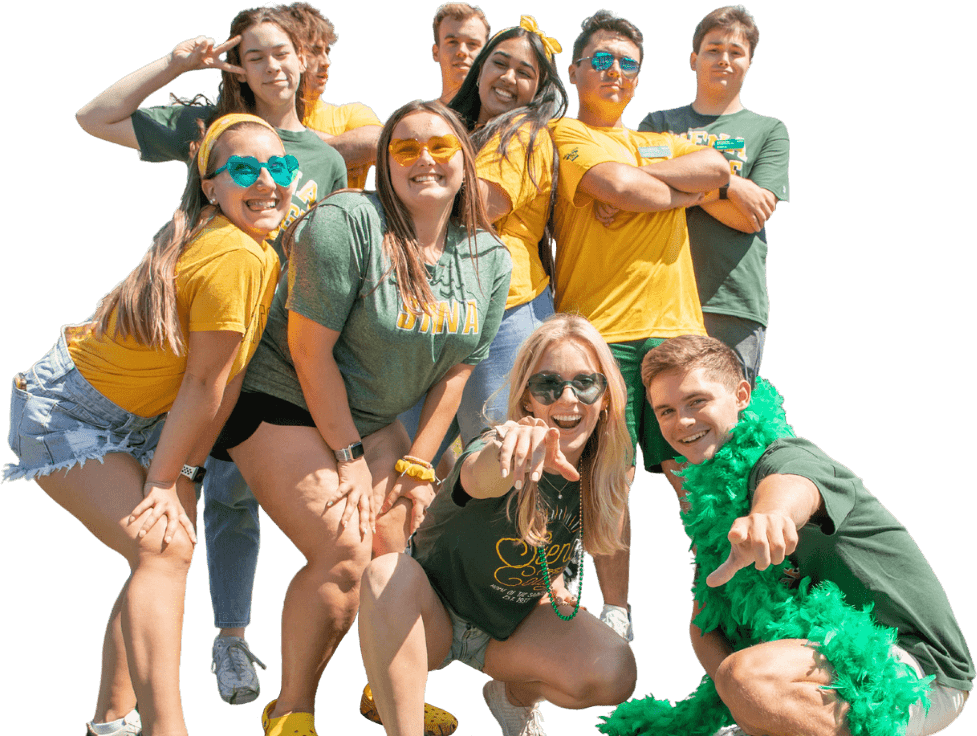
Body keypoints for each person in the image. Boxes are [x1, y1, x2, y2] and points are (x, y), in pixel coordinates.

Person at [74, 5, 348, 706]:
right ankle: (227, 641)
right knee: (209, 505)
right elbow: (94, 120)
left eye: (280, 51)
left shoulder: (325, 153)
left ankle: (131, 699)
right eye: (253, 55)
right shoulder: (210, 128)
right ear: (238, 67)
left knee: (260, 508)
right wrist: (175, 64)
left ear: (305, 57)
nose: (270, 66)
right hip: (211, 342)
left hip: (284, 348)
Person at [211, 99, 511, 735]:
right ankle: (292, 709)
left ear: (466, 160)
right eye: (405, 148)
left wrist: (416, 464)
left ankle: (387, 692)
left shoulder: (490, 256)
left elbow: (458, 372)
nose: (424, 159)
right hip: (280, 398)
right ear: (382, 162)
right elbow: (307, 350)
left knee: (394, 555)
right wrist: (350, 459)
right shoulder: (348, 221)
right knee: (345, 549)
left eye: (440, 146)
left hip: (370, 416)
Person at [3, 114, 290, 736]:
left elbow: (228, 375)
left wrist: (184, 469)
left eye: (280, 166)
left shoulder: (257, 246)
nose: (268, 180)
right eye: (246, 169)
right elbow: (205, 383)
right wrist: (167, 480)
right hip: (68, 409)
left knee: (158, 555)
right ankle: (167, 728)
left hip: (145, 418)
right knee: (161, 548)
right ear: (210, 185)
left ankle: (112, 718)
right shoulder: (234, 252)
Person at [603, 334, 974, 736]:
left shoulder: (785, 455)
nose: (683, 422)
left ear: (741, 395)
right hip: (824, 676)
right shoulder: (712, 502)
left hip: (912, 672)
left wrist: (769, 517)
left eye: (697, 401)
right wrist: (742, 709)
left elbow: (792, 487)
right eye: (666, 411)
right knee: (728, 689)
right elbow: (704, 626)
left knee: (748, 678)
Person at [359, 313, 638, 736]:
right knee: (385, 573)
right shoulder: (500, 444)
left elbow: (569, 550)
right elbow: (481, 474)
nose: (567, 398)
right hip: (429, 617)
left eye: (585, 383)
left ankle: (511, 699)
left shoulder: (603, 473)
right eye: (547, 385)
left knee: (616, 672)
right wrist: (513, 451)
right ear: (527, 398)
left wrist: (559, 582)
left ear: (605, 398)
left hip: (504, 629)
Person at [637, 5, 789, 388]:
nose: (724, 59)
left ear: (749, 62)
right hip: (660, 296)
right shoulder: (659, 123)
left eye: (736, 52)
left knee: (729, 430)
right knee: (665, 428)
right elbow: (642, 186)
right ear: (693, 59)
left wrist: (691, 183)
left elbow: (752, 217)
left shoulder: (769, 130)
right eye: (713, 49)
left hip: (732, 303)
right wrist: (731, 185)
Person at [284, 2, 383, 189]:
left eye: (327, 51)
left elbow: (375, 143)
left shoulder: (352, 113)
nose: (326, 62)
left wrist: (292, 150)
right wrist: (344, 155)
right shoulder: (256, 116)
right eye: (314, 51)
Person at [431, 2, 491, 103]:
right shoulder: (419, 117)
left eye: (472, 44)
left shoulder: (504, 118)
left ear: (487, 54)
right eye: (452, 42)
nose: (462, 51)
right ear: (436, 53)